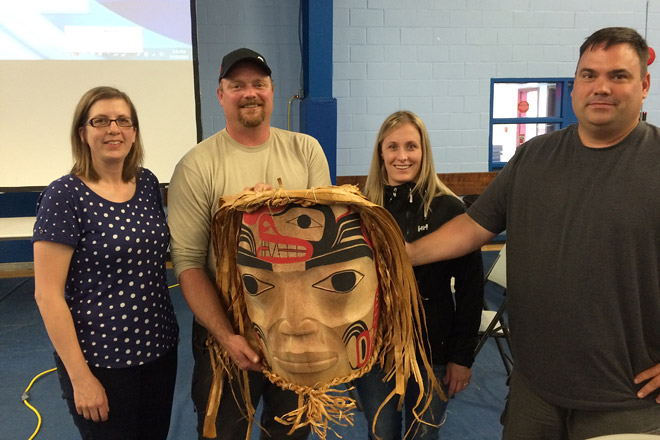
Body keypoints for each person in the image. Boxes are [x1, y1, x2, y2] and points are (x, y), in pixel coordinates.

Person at [406, 27, 660, 438]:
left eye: (618, 76)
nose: (601, 88)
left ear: (644, 85)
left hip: (625, 399)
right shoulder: (534, 157)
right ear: (575, 84)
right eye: (589, 75)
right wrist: (404, 254)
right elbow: (473, 226)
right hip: (535, 390)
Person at [167, 48, 331, 439]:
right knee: (224, 431)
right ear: (220, 95)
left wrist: (276, 212)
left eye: (259, 83)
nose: (250, 92)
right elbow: (188, 263)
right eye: (237, 85)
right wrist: (226, 335)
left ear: (273, 91)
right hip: (228, 326)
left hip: (298, 323)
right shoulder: (196, 166)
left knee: (291, 431)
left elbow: (329, 246)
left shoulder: (306, 151)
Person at [33, 86, 179, 440]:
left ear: (134, 132)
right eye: (100, 121)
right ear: (82, 133)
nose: (113, 129)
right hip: (102, 361)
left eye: (123, 121)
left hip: (159, 350)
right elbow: (47, 295)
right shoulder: (64, 195)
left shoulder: (145, 183)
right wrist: (81, 378)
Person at [352, 110, 484, 439]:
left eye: (411, 146)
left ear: (423, 151)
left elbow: (471, 290)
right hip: (376, 351)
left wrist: (461, 357)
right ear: (380, 152)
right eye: (393, 147)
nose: (402, 156)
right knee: (380, 432)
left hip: (434, 349)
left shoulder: (449, 210)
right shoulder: (363, 210)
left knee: (423, 434)